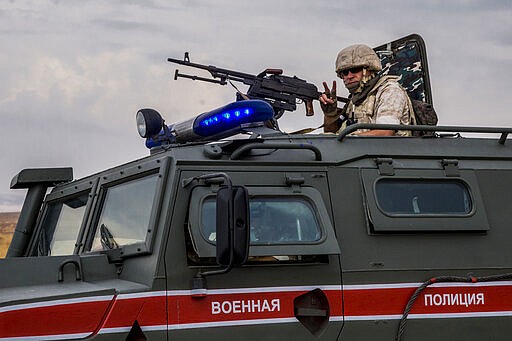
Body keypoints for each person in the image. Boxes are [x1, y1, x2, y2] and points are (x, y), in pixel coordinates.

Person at [319, 44, 415, 136]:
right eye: (344, 72)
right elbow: (332, 134)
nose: (349, 76)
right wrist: (330, 114)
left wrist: (348, 139)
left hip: (391, 151)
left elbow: (385, 132)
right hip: (361, 151)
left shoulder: (390, 90)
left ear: (369, 70)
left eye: (354, 70)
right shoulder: (355, 99)